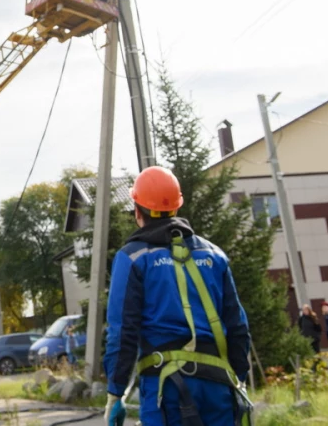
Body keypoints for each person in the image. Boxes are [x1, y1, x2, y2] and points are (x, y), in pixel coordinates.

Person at [103, 166, 252, 426]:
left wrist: (115, 393)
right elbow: (237, 325)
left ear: (137, 211)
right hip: (218, 385)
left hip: (166, 388)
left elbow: (122, 331)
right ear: (176, 207)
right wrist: (239, 378)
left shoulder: (133, 257)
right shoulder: (214, 256)